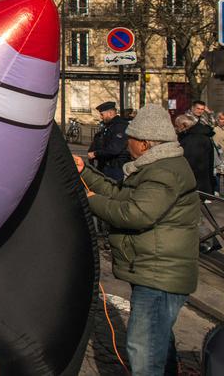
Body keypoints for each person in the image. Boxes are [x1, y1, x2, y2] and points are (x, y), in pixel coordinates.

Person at [75, 102, 199, 376]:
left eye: (130, 137)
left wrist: (90, 200)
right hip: (154, 271)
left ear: (143, 143)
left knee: (143, 351)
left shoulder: (163, 172)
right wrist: (85, 172)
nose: (126, 142)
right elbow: (120, 193)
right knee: (159, 345)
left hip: (159, 275)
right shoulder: (154, 167)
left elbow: (135, 213)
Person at [88, 101, 130, 182]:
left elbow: (114, 149)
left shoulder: (120, 126)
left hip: (116, 169)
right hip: (105, 166)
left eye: (102, 114)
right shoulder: (110, 125)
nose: (101, 117)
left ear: (110, 113)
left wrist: (95, 154)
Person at [175, 113, 216, 197]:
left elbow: (192, 162)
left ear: (184, 125)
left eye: (177, 125)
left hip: (196, 183)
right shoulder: (199, 135)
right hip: (201, 182)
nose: (176, 128)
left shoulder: (194, 139)